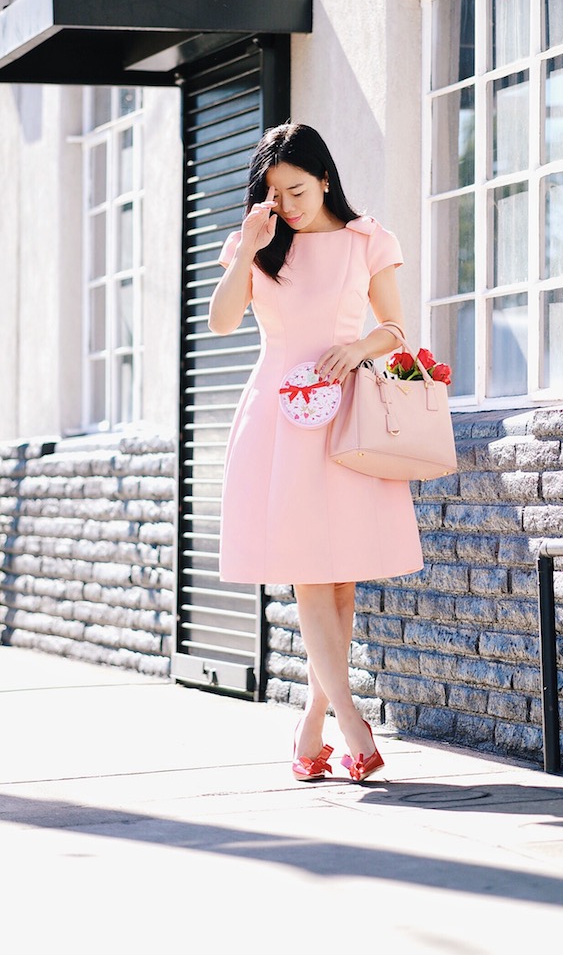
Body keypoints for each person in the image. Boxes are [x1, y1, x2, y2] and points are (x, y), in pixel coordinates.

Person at [209, 122, 423, 783]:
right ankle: (353, 724)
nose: (288, 204)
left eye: (297, 190)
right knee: (308, 568)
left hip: (346, 413)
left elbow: (395, 328)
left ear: (325, 178)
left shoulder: (367, 240)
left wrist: (360, 347)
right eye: (274, 193)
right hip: (278, 416)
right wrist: (248, 249)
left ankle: (309, 726)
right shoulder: (262, 242)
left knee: (340, 574)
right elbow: (221, 322)